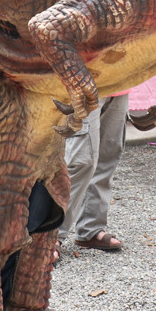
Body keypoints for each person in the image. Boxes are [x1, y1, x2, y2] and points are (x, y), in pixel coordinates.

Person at [57, 94, 129, 261]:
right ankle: (51, 236)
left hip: (121, 81)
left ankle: (91, 229)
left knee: (108, 154)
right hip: (85, 80)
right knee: (81, 161)